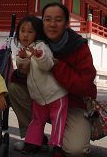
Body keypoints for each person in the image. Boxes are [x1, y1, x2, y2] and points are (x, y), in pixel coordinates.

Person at [9, 3, 97, 157]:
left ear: (67, 23)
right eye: (47, 19)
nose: (52, 24)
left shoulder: (78, 46)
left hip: (73, 102)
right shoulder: (36, 41)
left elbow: (84, 85)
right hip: (42, 98)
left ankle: (60, 141)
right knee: (14, 87)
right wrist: (22, 72)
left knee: (75, 150)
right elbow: (32, 77)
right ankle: (35, 139)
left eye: (58, 20)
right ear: (42, 22)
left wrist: (56, 65)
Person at [14, 15, 68, 155]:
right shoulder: (22, 49)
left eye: (30, 32)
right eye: (22, 31)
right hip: (38, 96)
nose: (25, 35)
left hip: (56, 93)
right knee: (37, 119)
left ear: (37, 33)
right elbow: (22, 69)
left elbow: (48, 65)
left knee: (58, 120)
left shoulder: (41, 46)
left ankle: (57, 146)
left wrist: (39, 56)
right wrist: (22, 58)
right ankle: (32, 143)